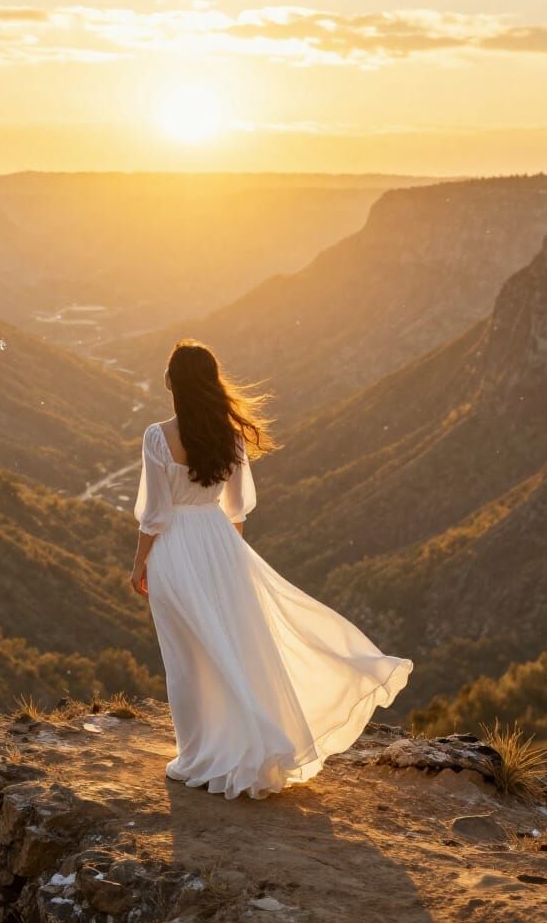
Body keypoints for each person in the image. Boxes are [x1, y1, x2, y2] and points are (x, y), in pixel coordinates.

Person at [130, 338, 413, 800]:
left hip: (174, 549)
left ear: (173, 382)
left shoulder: (157, 436)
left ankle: (197, 754)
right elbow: (237, 508)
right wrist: (230, 559)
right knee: (235, 645)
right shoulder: (231, 434)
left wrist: (140, 560)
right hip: (219, 542)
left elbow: (156, 514)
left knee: (186, 658)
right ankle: (243, 744)